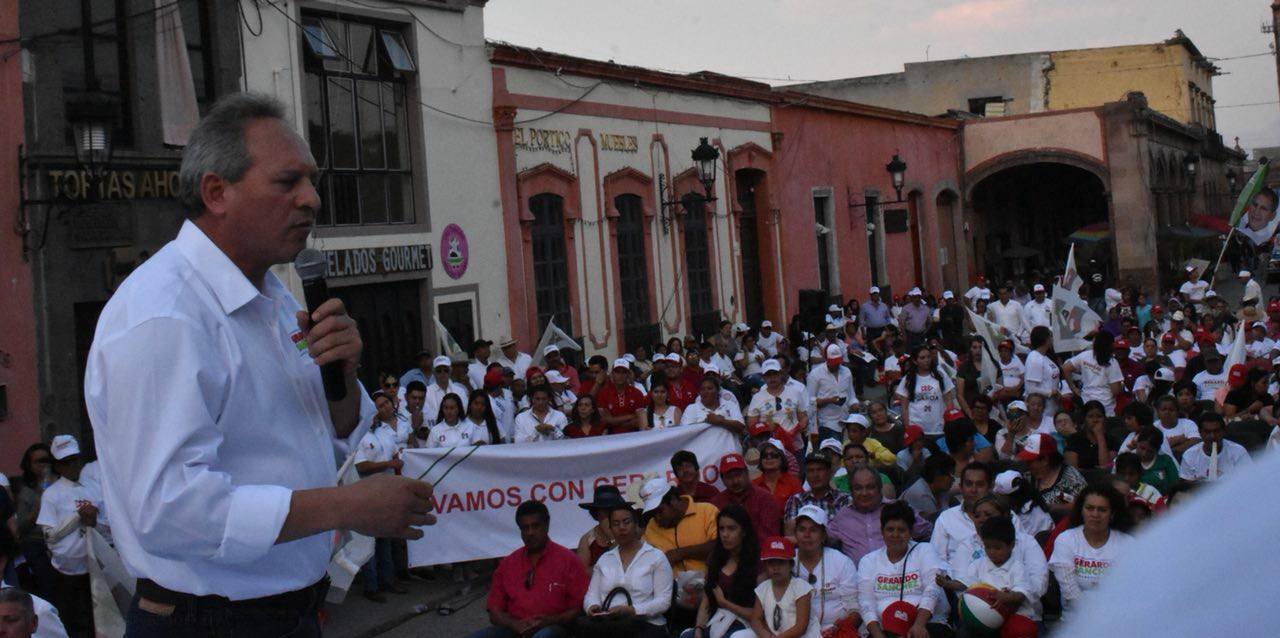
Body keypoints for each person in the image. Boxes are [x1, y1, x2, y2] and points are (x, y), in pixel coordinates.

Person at [83, 94, 437, 637]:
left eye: (312, 181)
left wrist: (342, 376)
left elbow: (321, 436)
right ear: (216, 192)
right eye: (286, 182)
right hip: (208, 621)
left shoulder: (271, 298)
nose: (312, 199)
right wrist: (346, 507)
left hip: (286, 612)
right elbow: (170, 510)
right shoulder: (165, 315)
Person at [472, 501, 588, 638]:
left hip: (555, 628)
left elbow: (579, 609)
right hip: (514, 629)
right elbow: (494, 611)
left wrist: (551, 620)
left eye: (535, 526)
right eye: (525, 528)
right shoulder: (508, 564)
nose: (530, 533)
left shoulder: (569, 560)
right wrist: (514, 624)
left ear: (547, 525)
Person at [34, 436, 99, 636]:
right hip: (66, 570)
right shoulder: (52, 495)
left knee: (96, 617)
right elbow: (50, 535)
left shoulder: (95, 487)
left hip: (95, 567)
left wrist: (94, 520)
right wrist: (77, 516)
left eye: (74, 460)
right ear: (58, 466)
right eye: (66, 462)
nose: (72, 466)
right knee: (71, 618)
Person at [857, 502, 949, 638]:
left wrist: (919, 625)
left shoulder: (925, 550)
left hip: (925, 626)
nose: (895, 535)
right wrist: (878, 636)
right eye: (890, 529)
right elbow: (866, 603)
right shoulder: (868, 561)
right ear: (882, 531)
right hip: (882, 630)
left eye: (901, 530)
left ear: (911, 532)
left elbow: (932, 588)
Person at [936, 516, 1044, 631]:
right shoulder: (978, 565)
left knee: (1020, 630)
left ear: (1012, 545)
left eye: (997, 548)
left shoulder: (1018, 568)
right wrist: (947, 584)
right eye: (987, 547)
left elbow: (1021, 593)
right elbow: (965, 583)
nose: (992, 552)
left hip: (1015, 615)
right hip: (984, 617)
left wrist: (1007, 597)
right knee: (965, 632)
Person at [581, 507, 672, 638]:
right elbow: (591, 594)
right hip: (609, 625)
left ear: (636, 525)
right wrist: (592, 606)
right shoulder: (605, 559)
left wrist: (633, 610)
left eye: (626, 522)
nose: (621, 528)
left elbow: (663, 602)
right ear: (611, 529)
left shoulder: (656, 557)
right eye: (616, 524)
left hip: (647, 625)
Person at [1048, 484, 1135, 616]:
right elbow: (1070, 593)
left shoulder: (1128, 544)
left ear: (1112, 513)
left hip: (1116, 618)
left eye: (1102, 510)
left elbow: (1128, 591)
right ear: (1081, 510)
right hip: (1075, 623)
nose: (1095, 514)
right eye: (1089, 508)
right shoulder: (1065, 540)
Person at [682, 506, 761, 638]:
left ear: (744, 531)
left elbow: (757, 614)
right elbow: (706, 601)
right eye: (722, 529)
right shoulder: (715, 558)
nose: (725, 534)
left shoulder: (757, 564)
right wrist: (699, 629)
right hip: (716, 620)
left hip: (743, 624)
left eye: (731, 528)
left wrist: (724, 603)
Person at [828, 467, 932, 565]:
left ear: (879, 488)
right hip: (858, 580)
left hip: (898, 578)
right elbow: (823, 538)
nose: (864, 493)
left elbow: (927, 531)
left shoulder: (897, 509)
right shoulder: (842, 516)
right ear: (851, 491)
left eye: (870, 487)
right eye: (858, 488)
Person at [790, 505, 860, 636]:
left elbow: (854, 609)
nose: (807, 535)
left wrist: (839, 628)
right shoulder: (787, 561)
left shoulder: (841, 562)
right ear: (795, 534)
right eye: (802, 529)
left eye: (813, 530)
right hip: (794, 631)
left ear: (823, 535)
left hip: (835, 630)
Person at [638, 479, 719, 575]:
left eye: (660, 511)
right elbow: (643, 560)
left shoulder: (707, 511)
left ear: (673, 500)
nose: (657, 517)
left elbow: (720, 546)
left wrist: (679, 554)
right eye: (652, 514)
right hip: (669, 588)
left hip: (710, 584)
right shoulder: (652, 525)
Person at [750, 537, 817, 638]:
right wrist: (767, 636)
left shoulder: (801, 587)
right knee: (738, 635)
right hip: (772, 636)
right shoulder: (763, 588)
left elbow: (801, 626)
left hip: (800, 636)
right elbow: (755, 619)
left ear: (791, 565)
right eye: (771, 563)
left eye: (781, 562)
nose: (776, 568)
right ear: (765, 566)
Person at [928, 461, 991, 566]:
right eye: (969, 484)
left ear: (989, 488)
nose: (974, 490)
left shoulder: (1006, 516)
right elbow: (936, 561)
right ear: (961, 488)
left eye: (979, 484)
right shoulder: (946, 518)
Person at [710, 454, 782, 538]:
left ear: (747, 473)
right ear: (722, 480)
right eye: (729, 477)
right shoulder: (716, 503)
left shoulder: (765, 499)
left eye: (738, 475)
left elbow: (768, 537)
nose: (735, 481)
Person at [1019, 433, 1086, 518]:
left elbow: (1083, 505)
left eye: (1030, 461)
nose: (1026, 464)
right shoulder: (1026, 476)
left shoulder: (1071, 478)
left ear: (1045, 460)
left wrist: (1057, 508)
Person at [748, 359, 810, 453]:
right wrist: (769, 429)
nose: (772, 378)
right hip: (770, 451)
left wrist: (802, 424)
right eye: (768, 375)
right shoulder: (757, 398)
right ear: (763, 377)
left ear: (781, 374)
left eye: (775, 373)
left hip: (795, 446)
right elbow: (752, 425)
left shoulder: (795, 393)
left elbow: (803, 416)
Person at [895, 346, 957, 439]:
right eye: (922, 358)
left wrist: (949, 422)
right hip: (917, 428)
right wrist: (908, 426)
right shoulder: (908, 378)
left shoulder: (940, 375)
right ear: (915, 361)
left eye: (928, 357)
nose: (927, 360)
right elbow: (904, 406)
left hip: (940, 427)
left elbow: (949, 400)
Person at [783, 455, 851, 538]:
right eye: (810, 471)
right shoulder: (796, 500)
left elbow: (848, 534)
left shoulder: (844, 499)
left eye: (820, 470)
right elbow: (790, 536)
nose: (815, 475)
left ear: (830, 472)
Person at [1062, 330, 1124, 416]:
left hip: (1086, 403)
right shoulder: (1112, 362)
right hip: (1106, 407)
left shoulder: (1085, 355)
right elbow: (1116, 391)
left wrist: (1073, 388)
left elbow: (1065, 368)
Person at [806, 345, 859, 443]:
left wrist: (854, 404)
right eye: (833, 363)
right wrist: (829, 400)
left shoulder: (846, 372)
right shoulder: (815, 374)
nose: (836, 366)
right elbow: (809, 401)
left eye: (838, 363)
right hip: (827, 423)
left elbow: (851, 395)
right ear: (826, 359)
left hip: (846, 419)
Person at [1179, 412, 1253, 482]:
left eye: (1217, 431)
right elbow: (1186, 485)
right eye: (1207, 432)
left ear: (1223, 431)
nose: (1212, 436)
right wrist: (1196, 484)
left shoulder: (1238, 451)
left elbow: (1249, 480)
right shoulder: (1189, 455)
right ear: (1200, 433)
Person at [595, 359, 648, 434]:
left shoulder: (637, 393)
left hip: (634, 436)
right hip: (611, 437)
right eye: (617, 372)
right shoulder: (604, 393)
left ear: (628, 374)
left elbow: (640, 419)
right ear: (612, 373)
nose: (620, 375)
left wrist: (614, 421)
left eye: (624, 372)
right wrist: (630, 416)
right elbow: (605, 420)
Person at [576, 486, 623, 569]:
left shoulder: (629, 532)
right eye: (606, 511)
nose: (610, 515)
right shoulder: (588, 540)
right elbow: (581, 572)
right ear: (596, 513)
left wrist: (612, 538)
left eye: (613, 510)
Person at [899, 454, 955, 522]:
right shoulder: (921, 494)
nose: (953, 479)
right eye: (951, 475)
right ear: (937, 474)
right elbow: (937, 523)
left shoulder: (940, 490)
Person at [680, 377, 746, 434]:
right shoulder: (691, 408)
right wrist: (704, 423)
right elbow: (684, 432)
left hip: (730, 448)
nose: (706, 392)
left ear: (718, 391)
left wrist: (722, 421)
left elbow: (741, 428)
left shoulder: (730, 405)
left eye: (710, 388)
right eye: (702, 389)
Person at [754, 440, 804, 510]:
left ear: (782, 458)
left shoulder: (794, 483)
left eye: (774, 455)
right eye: (764, 455)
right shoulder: (754, 485)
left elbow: (801, 509)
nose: (769, 458)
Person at [424, 355, 471, 426]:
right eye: (439, 371)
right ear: (434, 373)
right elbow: (429, 416)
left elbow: (465, 412)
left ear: (450, 371)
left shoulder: (460, 391)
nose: (443, 373)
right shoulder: (426, 392)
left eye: (446, 370)